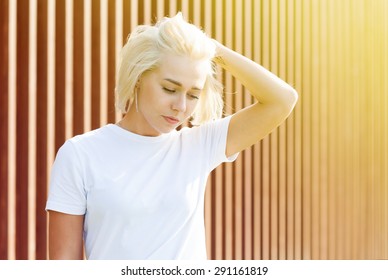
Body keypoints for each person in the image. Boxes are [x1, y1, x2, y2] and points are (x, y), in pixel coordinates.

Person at [46, 13, 298, 260]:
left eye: (193, 94)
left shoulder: (198, 146)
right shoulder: (80, 154)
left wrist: (214, 50)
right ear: (138, 78)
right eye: (169, 88)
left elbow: (282, 100)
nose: (181, 106)